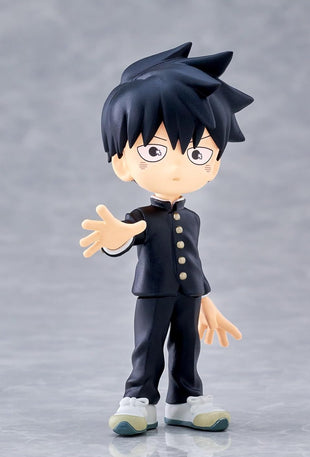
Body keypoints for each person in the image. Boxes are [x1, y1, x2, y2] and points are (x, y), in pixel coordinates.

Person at [80, 42, 253, 436]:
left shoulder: (192, 219)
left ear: (214, 165)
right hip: (154, 294)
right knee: (149, 344)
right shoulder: (143, 217)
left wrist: (206, 301)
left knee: (188, 346)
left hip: (188, 295)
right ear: (122, 163)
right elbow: (128, 234)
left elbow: (193, 261)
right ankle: (138, 398)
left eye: (197, 154)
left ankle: (185, 399)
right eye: (155, 151)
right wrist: (116, 235)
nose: (177, 167)